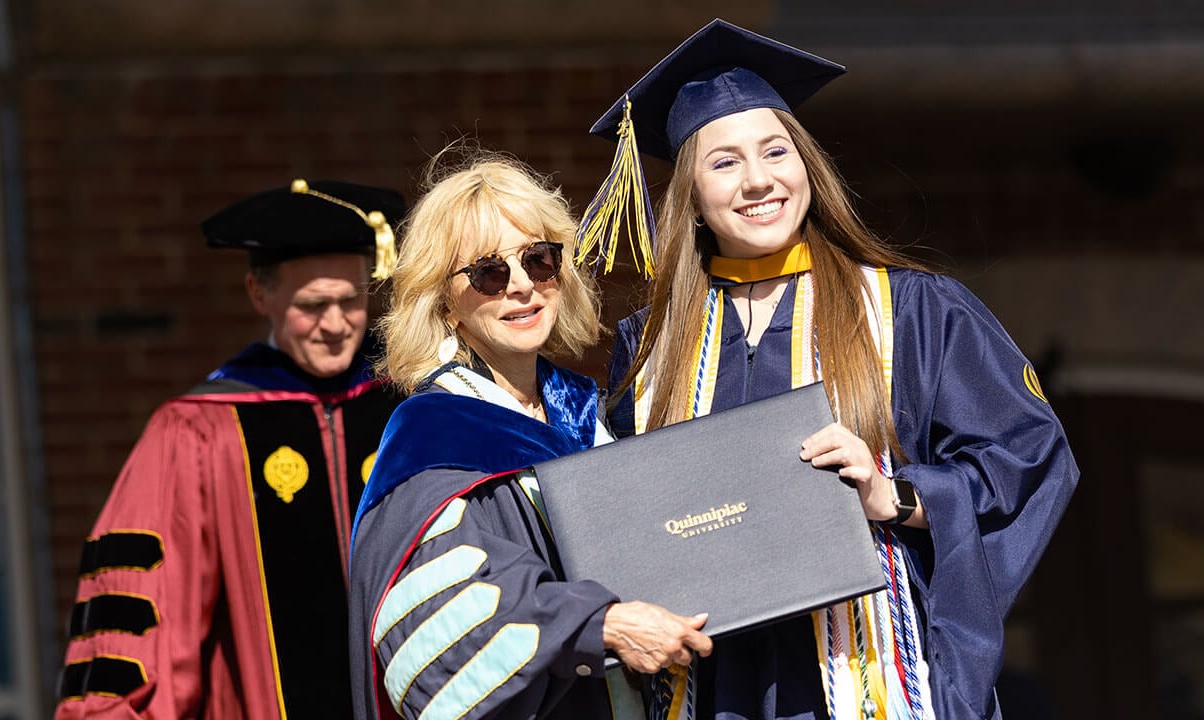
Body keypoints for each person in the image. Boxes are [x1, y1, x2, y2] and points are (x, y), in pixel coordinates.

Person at [581, 19, 1080, 720]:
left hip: (867, 673)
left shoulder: (912, 311)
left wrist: (895, 495)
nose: (759, 180)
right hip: (716, 687)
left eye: (776, 151)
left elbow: (1028, 458)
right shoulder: (651, 346)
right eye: (724, 162)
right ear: (690, 193)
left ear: (807, 166)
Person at [347, 152, 714, 720]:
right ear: (445, 304)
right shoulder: (433, 442)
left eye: (539, 260)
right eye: (489, 272)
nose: (522, 286)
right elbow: (441, 628)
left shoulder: (586, 415)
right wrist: (599, 624)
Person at [53, 179, 407, 719]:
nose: (336, 325)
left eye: (351, 299)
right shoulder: (198, 431)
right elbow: (152, 622)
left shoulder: (410, 406)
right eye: (312, 306)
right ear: (259, 294)